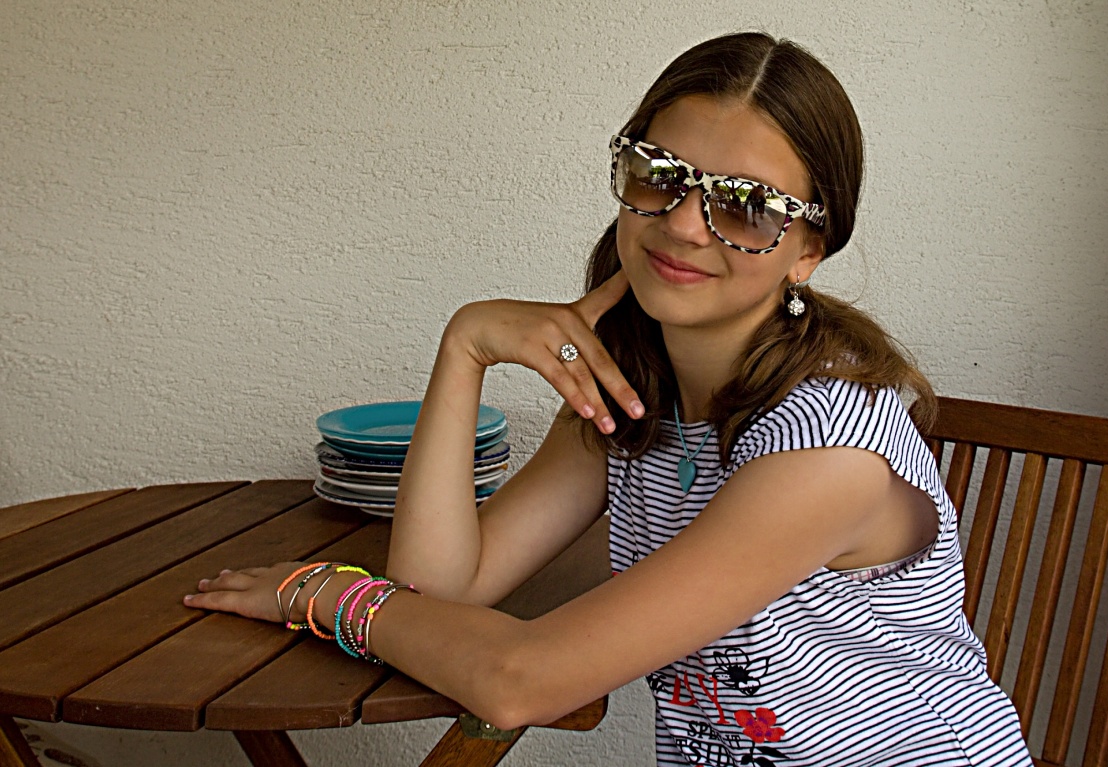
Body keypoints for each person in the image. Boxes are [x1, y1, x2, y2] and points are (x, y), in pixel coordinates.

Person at [185, 32, 1032, 766]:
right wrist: (465, 346)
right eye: (660, 175)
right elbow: (439, 586)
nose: (686, 224)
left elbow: (520, 679)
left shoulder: (824, 454)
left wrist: (318, 593)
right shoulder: (635, 399)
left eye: (748, 206)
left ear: (808, 248)